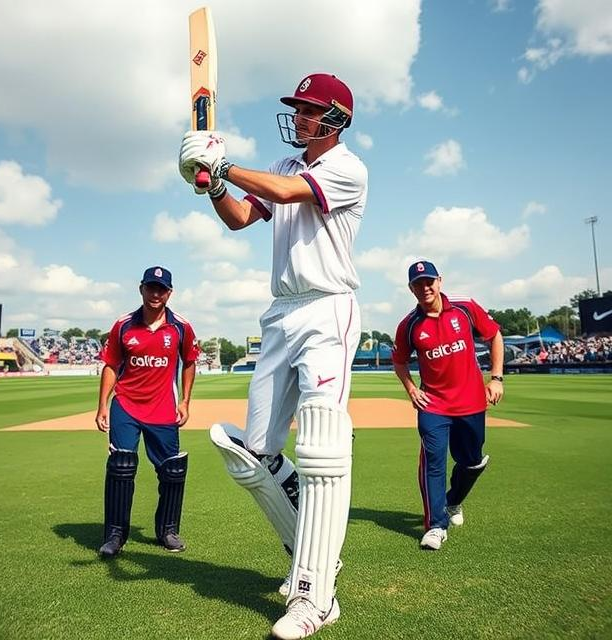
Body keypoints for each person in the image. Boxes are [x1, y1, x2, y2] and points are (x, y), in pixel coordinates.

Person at [178, 73, 367, 639]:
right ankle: (314, 553)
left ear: (336, 118)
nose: (300, 117)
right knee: (252, 455)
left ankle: (314, 597)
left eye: (310, 109)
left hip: (328, 307)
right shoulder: (283, 168)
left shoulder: (347, 168)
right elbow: (240, 217)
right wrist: (212, 184)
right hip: (281, 314)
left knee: (321, 444)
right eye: (298, 108)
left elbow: (289, 195)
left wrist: (223, 161)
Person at [392, 260, 504, 550]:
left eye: (429, 281)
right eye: (418, 284)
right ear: (411, 289)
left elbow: (494, 336)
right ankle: (435, 526)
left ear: (440, 281)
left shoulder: (465, 308)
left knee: (471, 461)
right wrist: (412, 389)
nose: (424, 288)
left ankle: (454, 501)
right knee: (434, 463)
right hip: (434, 406)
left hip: (471, 402)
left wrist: (496, 378)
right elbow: (399, 360)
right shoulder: (409, 325)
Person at [95, 266, 199, 557]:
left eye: (161, 289)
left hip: (164, 407)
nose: (156, 294)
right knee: (121, 467)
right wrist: (103, 404)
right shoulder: (124, 325)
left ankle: (167, 530)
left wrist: (185, 401)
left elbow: (189, 361)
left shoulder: (181, 326)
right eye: (151, 288)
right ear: (141, 289)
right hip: (126, 405)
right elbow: (111, 365)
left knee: (172, 472)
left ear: (170, 293)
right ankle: (115, 535)